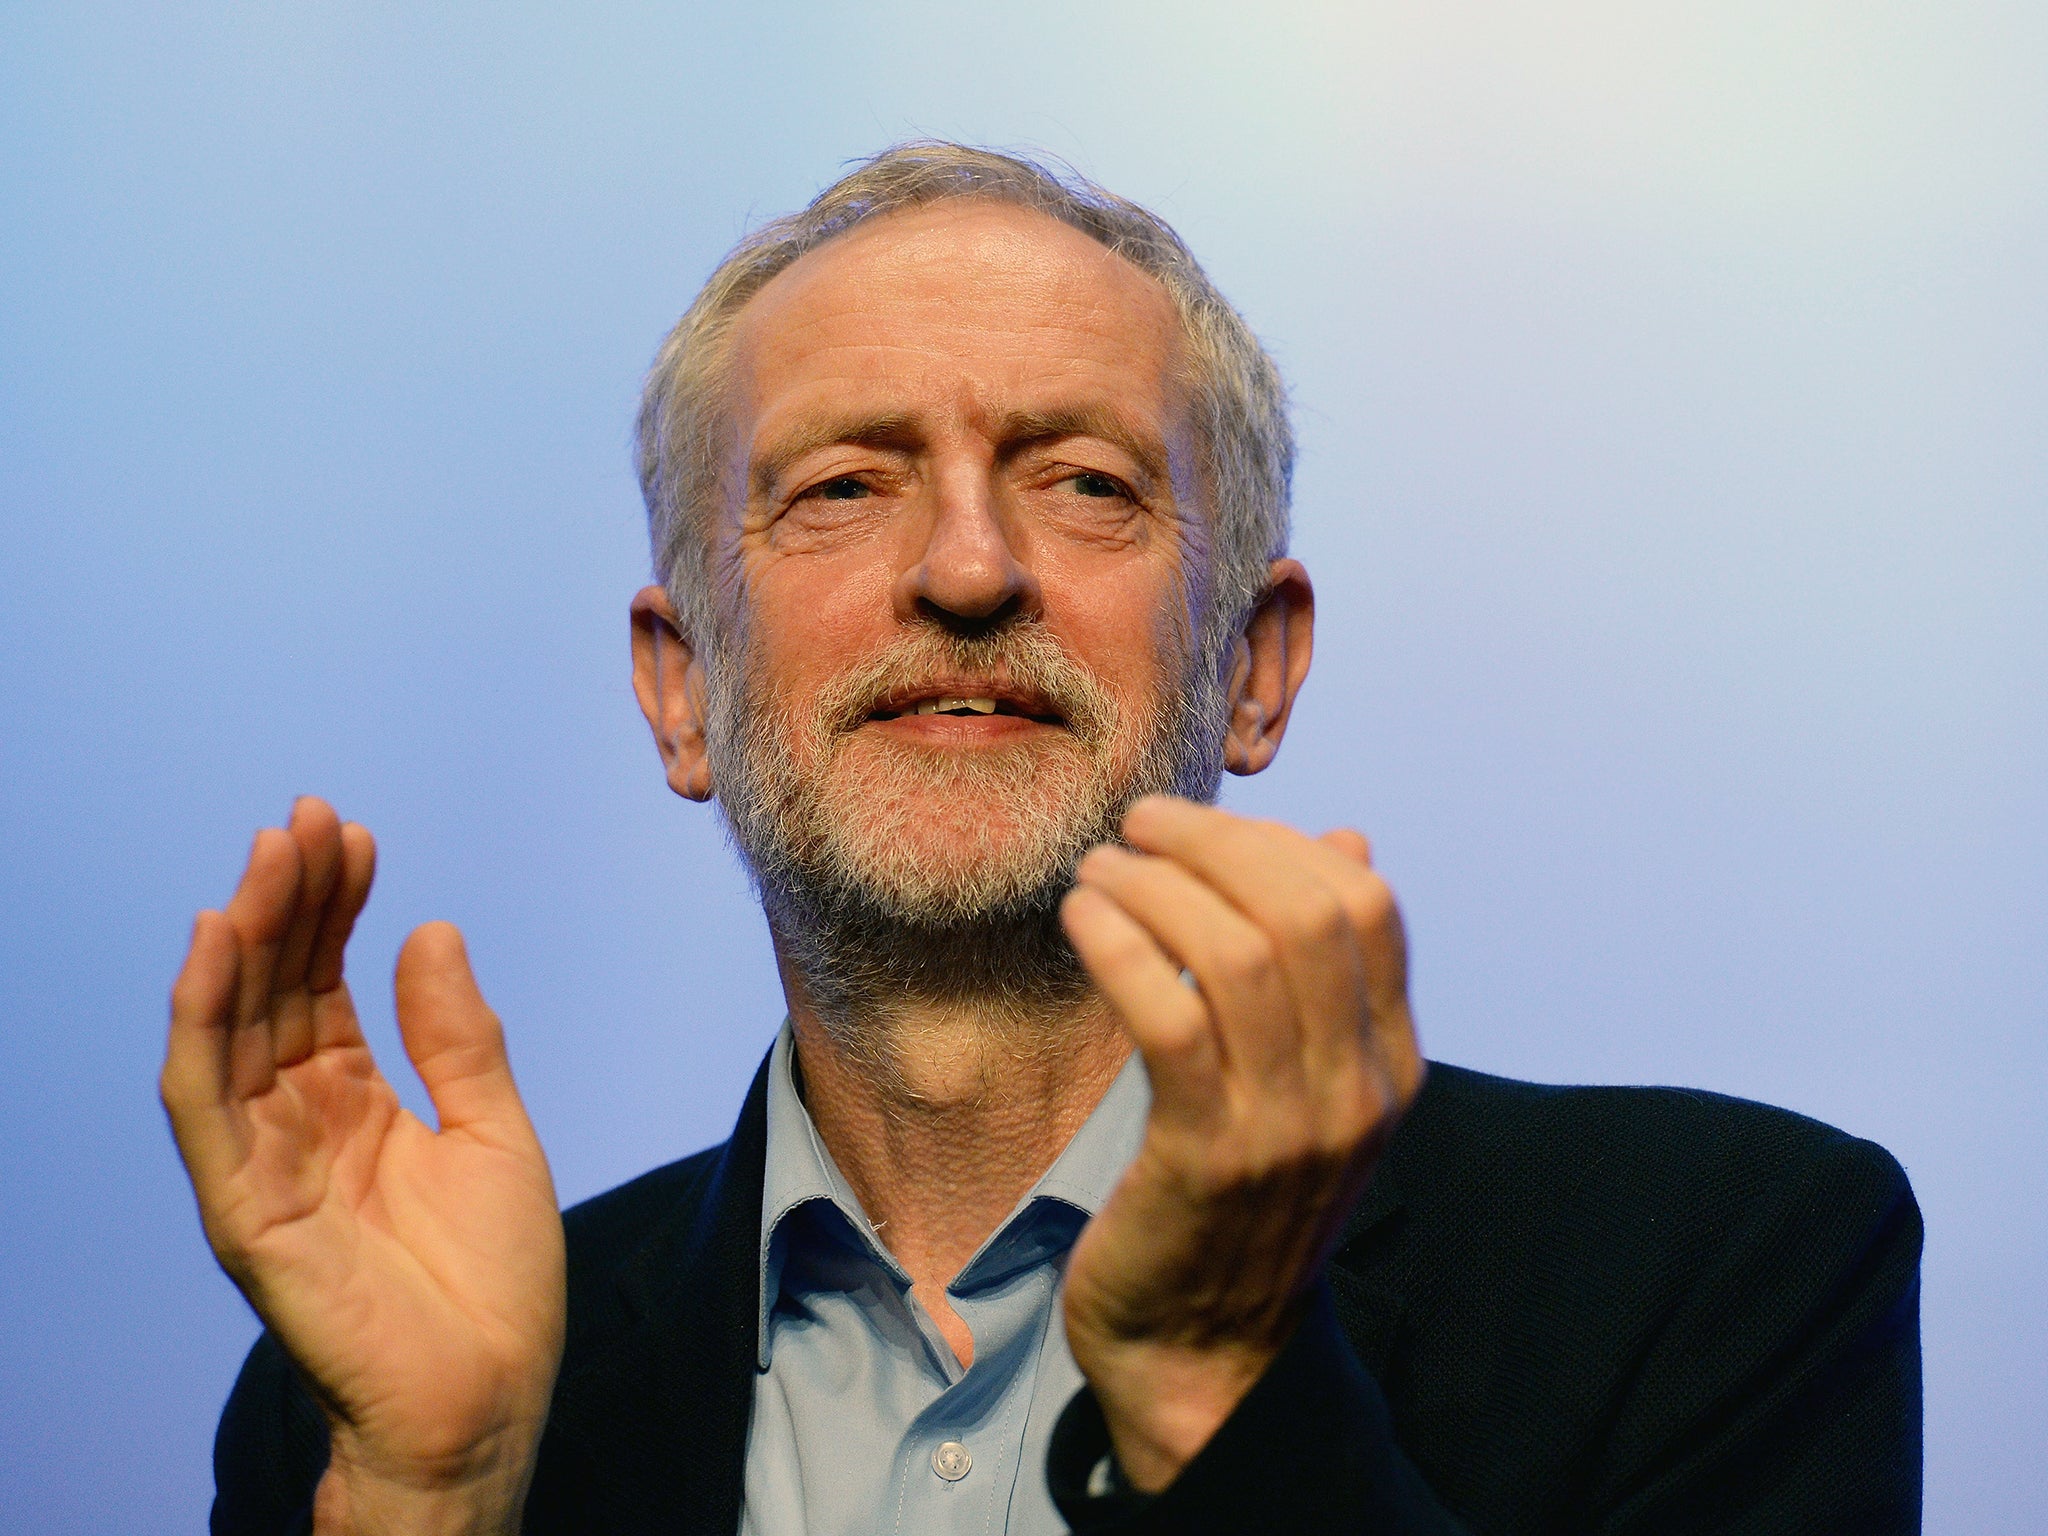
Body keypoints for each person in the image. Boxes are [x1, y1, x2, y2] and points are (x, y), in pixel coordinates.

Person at [164, 144, 1922, 1536]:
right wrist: (434, 1506)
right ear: (680, 690)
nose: (968, 567)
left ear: (1254, 664)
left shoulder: (1727, 1272)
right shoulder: (377, 1415)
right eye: (844, 485)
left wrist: (1216, 1385)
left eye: (1085, 480)